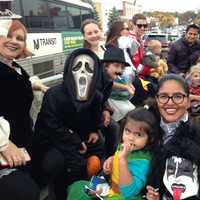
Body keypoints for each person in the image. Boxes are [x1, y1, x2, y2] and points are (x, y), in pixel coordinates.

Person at [32, 46, 129, 200]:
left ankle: (89, 184)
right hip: (54, 140)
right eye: (77, 67)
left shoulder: (96, 96)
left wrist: (93, 130)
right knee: (65, 164)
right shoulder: (54, 95)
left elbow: (95, 116)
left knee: (97, 148)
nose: (83, 72)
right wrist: (75, 141)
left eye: (88, 68)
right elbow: (50, 125)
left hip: (80, 136)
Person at [67, 107, 161, 200]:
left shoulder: (143, 162)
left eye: (138, 134)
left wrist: (122, 160)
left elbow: (128, 192)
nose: (131, 138)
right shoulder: (124, 145)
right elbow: (116, 158)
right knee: (78, 187)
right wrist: (111, 161)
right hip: (110, 186)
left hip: (124, 196)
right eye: (127, 131)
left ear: (150, 138)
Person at [0, 19, 48, 200]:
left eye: (20, 38)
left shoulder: (13, 65)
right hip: (7, 149)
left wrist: (40, 87)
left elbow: (22, 82)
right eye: (8, 35)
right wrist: (4, 144)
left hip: (23, 141)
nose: (14, 41)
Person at [145, 74, 200, 200]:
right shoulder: (145, 126)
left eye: (178, 97)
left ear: (188, 102)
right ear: (157, 99)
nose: (170, 103)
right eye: (164, 96)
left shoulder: (196, 136)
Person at [81, 18, 120, 158]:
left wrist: (106, 109)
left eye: (96, 31)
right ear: (84, 36)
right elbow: (88, 91)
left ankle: (111, 160)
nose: (93, 35)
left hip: (102, 100)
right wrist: (104, 109)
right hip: (86, 106)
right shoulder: (83, 56)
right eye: (89, 33)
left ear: (101, 31)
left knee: (114, 128)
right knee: (105, 133)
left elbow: (105, 86)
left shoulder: (105, 50)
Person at [106, 20, 137, 121]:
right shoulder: (111, 49)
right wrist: (126, 86)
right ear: (118, 30)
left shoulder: (124, 49)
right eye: (126, 29)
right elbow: (109, 78)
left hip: (124, 93)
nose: (129, 31)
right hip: (114, 96)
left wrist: (129, 84)